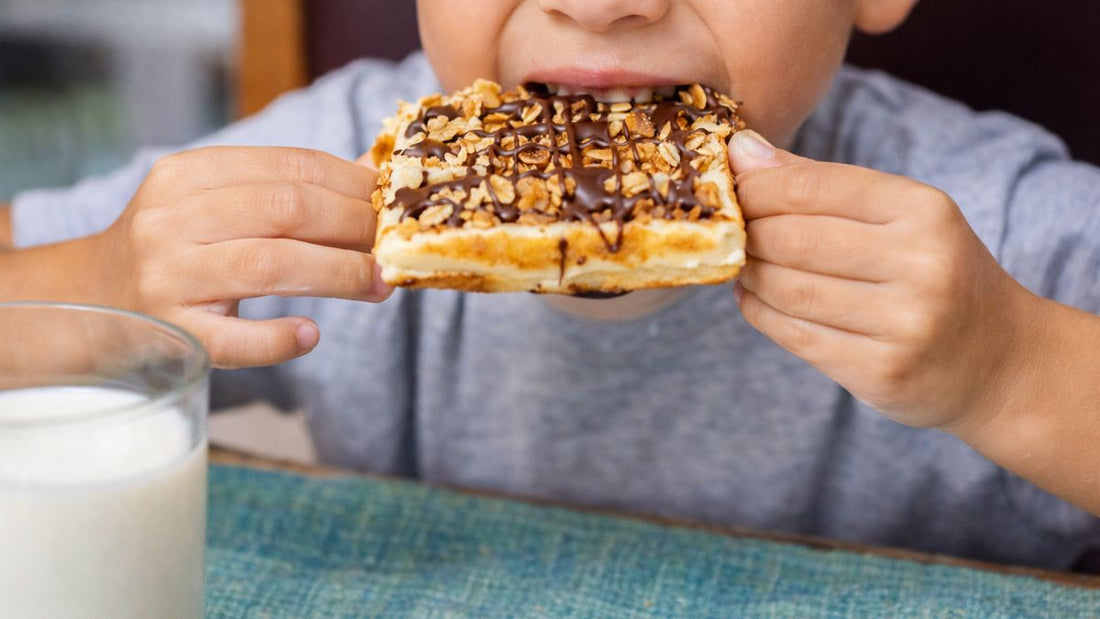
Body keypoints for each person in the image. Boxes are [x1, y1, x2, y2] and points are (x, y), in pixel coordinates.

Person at [2, 0, 1099, 570]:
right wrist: (100, 291)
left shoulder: (992, 235)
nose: (603, 3)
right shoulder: (343, 162)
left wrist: (1012, 365)